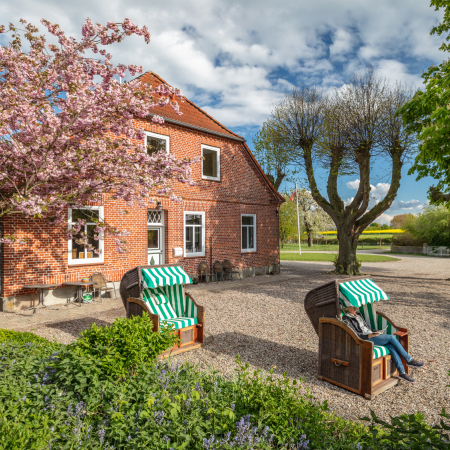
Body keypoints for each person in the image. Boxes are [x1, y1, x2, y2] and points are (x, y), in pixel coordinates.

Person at [342, 305, 424, 383]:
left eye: (355, 308)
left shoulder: (358, 314)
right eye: (353, 308)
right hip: (365, 339)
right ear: (347, 308)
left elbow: (366, 327)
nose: (355, 310)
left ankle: (402, 373)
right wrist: (369, 335)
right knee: (391, 338)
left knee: (391, 346)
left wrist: (375, 331)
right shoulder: (346, 318)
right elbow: (355, 334)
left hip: (371, 335)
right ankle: (409, 360)